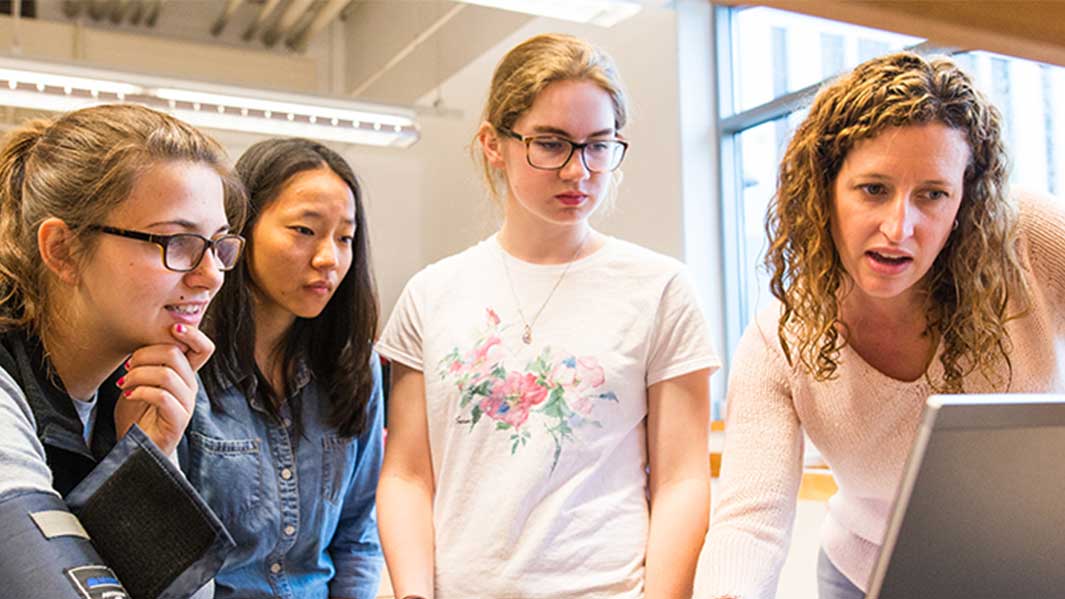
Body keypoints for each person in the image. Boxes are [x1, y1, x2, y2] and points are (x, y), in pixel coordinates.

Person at [695, 52, 1065, 599]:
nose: (900, 227)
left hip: (1034, 557)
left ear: (964, 202)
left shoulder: (1027, 239)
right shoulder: (783, 339)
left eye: (932, 195)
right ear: (824, 191)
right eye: (873, 189)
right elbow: (751, 519)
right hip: (866, 575)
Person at [376, 33, 720, 599]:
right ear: (494, 143)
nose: (577, 171)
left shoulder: (660, 288)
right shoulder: (431, 293)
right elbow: (409, 475)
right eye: (551, 144)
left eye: (598, 146)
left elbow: (682, 480)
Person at [0, 104, 246, 598]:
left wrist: (149, 457)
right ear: (63, 250)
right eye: (177, 241)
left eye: (218, 245)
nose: (211, 275)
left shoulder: (137, 388)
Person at [188, 138, 384, 599]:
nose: (328, 259)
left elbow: (356, 537)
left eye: (345, 238)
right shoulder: (186, 364)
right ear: (241, 230)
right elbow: (166, 557)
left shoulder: (354, 365)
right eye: (304, 230)